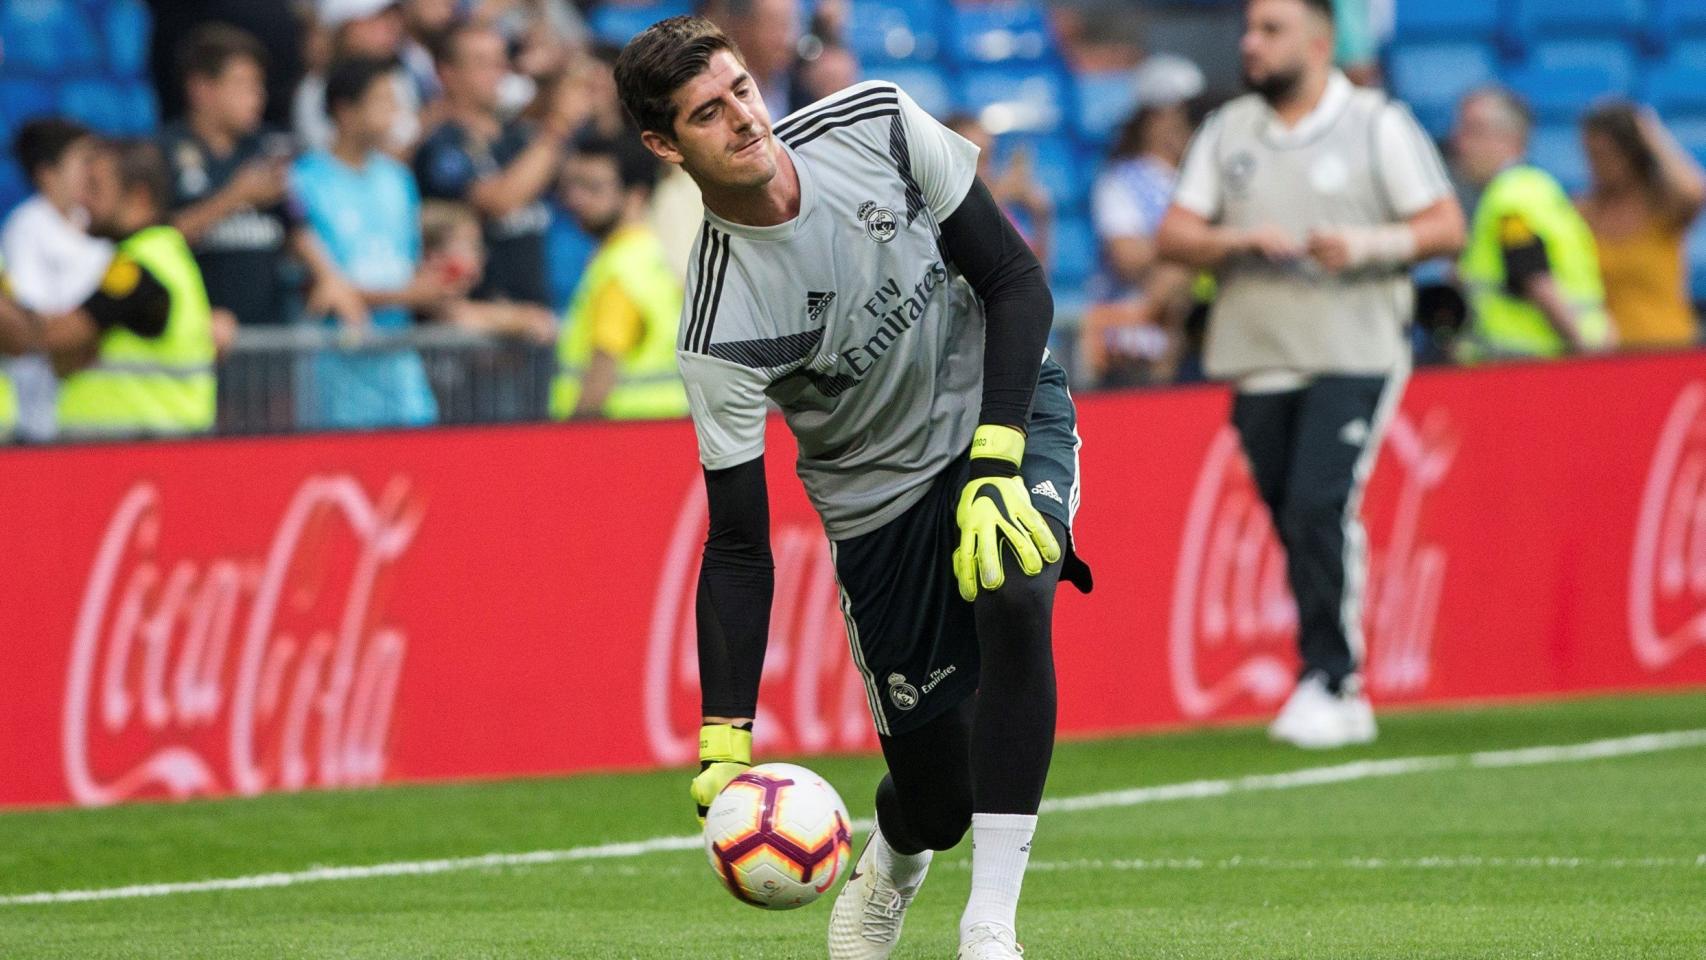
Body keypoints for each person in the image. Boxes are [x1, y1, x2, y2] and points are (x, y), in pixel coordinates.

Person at [615, 17, 1092, 960]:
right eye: (708, 114)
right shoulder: (718, 326)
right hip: (877, 505)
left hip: (998, 410)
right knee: (936, 797)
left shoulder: (878, 125)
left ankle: (989, 925)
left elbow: (1015, 282)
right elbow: (740, 543)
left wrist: (995, 460)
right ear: (666, 146)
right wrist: (725, 736)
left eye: (742, 90)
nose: (744, 120)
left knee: (1016, 582)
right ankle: (894, 861)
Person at [1156, 0, 1464, 749]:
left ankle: (1335, 677)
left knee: (1318, 500)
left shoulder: (1375, 123)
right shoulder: (1229, 129)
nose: (1250, 43)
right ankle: (1324, 671)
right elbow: (1176, 232)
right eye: (1250, 29)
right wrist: (1237, 240)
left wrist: (1364, 246)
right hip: (1258, 352)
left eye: (1270, 30)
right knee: (1289, 509)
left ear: (1320, 43)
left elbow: (1444, 224)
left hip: (1354, 346)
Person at [291, 57, 457, 429]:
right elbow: (315, 287)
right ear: (345, 110)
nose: (395, 111)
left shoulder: (398, 179)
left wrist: (439, 279)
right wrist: (412, 295)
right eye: (382, 100)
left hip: (401, 375)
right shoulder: (304, 180)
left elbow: (407, 267)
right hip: (334, 376)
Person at [415, 22, 589, 308]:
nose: (497, 73)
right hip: (475, 322)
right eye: (481, 63)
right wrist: (560, 125)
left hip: (535, 316)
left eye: (500, 62)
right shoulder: (440, 145)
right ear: (447, 73)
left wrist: (561, 76)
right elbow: (499, 201)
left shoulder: (517, 138)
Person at [54, 140, 219, 438]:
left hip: (140, 456)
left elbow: (57, 338)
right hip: (153, 449)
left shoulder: (140, 267)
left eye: (95, 187)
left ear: (139, 197)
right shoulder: (165, 253)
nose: (81, 199)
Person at [1451, 87, 1613, 360]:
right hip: (1556, 356)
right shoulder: (1540, 187)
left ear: (1511, 140)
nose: (1460, 143)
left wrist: (1589, 354)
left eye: (1473, 131)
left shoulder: (1509, 199)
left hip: (1526, 365)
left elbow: (1536, 279)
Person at [159, 24, 294, 328]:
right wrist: (236, 196)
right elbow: (157, 240)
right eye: (243, 85)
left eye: (260, 86)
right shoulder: (163, 152)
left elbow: (296, 228)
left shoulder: (268, 149)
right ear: (201, 89)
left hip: (270, 342)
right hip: (196, 337)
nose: (257, 97)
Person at [549, 133, 686, 420]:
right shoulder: (648, 255)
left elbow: (601, 375)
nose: (576, 199)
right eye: (572, 186)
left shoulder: (620, 271)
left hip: (617, 437)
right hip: (659, 430)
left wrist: (566, 443)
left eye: (592, 187)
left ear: (636, 195)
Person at [0, 118, 113, 441]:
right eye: (83, 160)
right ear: (47, 173)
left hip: (97, 406)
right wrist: (94, 323)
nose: (93, 172)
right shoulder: (27, 226)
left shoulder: (97, 226)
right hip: (43, 412)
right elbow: (30, 317)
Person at [1081, 101, 1201, 386]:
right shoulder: (1123, 179)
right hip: (1132, 347)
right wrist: (1190, 249)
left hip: (1194, 344)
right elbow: (1127, 257)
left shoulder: (1196, 182)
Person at [1577, 102, 1706, 350]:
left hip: (1669, 349)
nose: (1595, 165)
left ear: (1630, 154)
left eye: (1605, 155)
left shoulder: (1663, 206)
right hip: (1604, 356)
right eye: (1590, 155)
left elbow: (1695, 193)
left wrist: (1651, 133)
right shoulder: (1582, 212)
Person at [294, 0, 423, 156]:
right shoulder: (314, 90)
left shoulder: (399, 77)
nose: (392, 27)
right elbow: (335, 159)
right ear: (345, 27)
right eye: (375, 19)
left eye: (393, 18)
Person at [944, 114, 1053, 262]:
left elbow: (1031, 278)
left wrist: (1041, 218)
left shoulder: (1002, 213)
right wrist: (999, 197)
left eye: (989, 157)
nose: (986, 170)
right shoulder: (940, 214)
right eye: (977, 159)